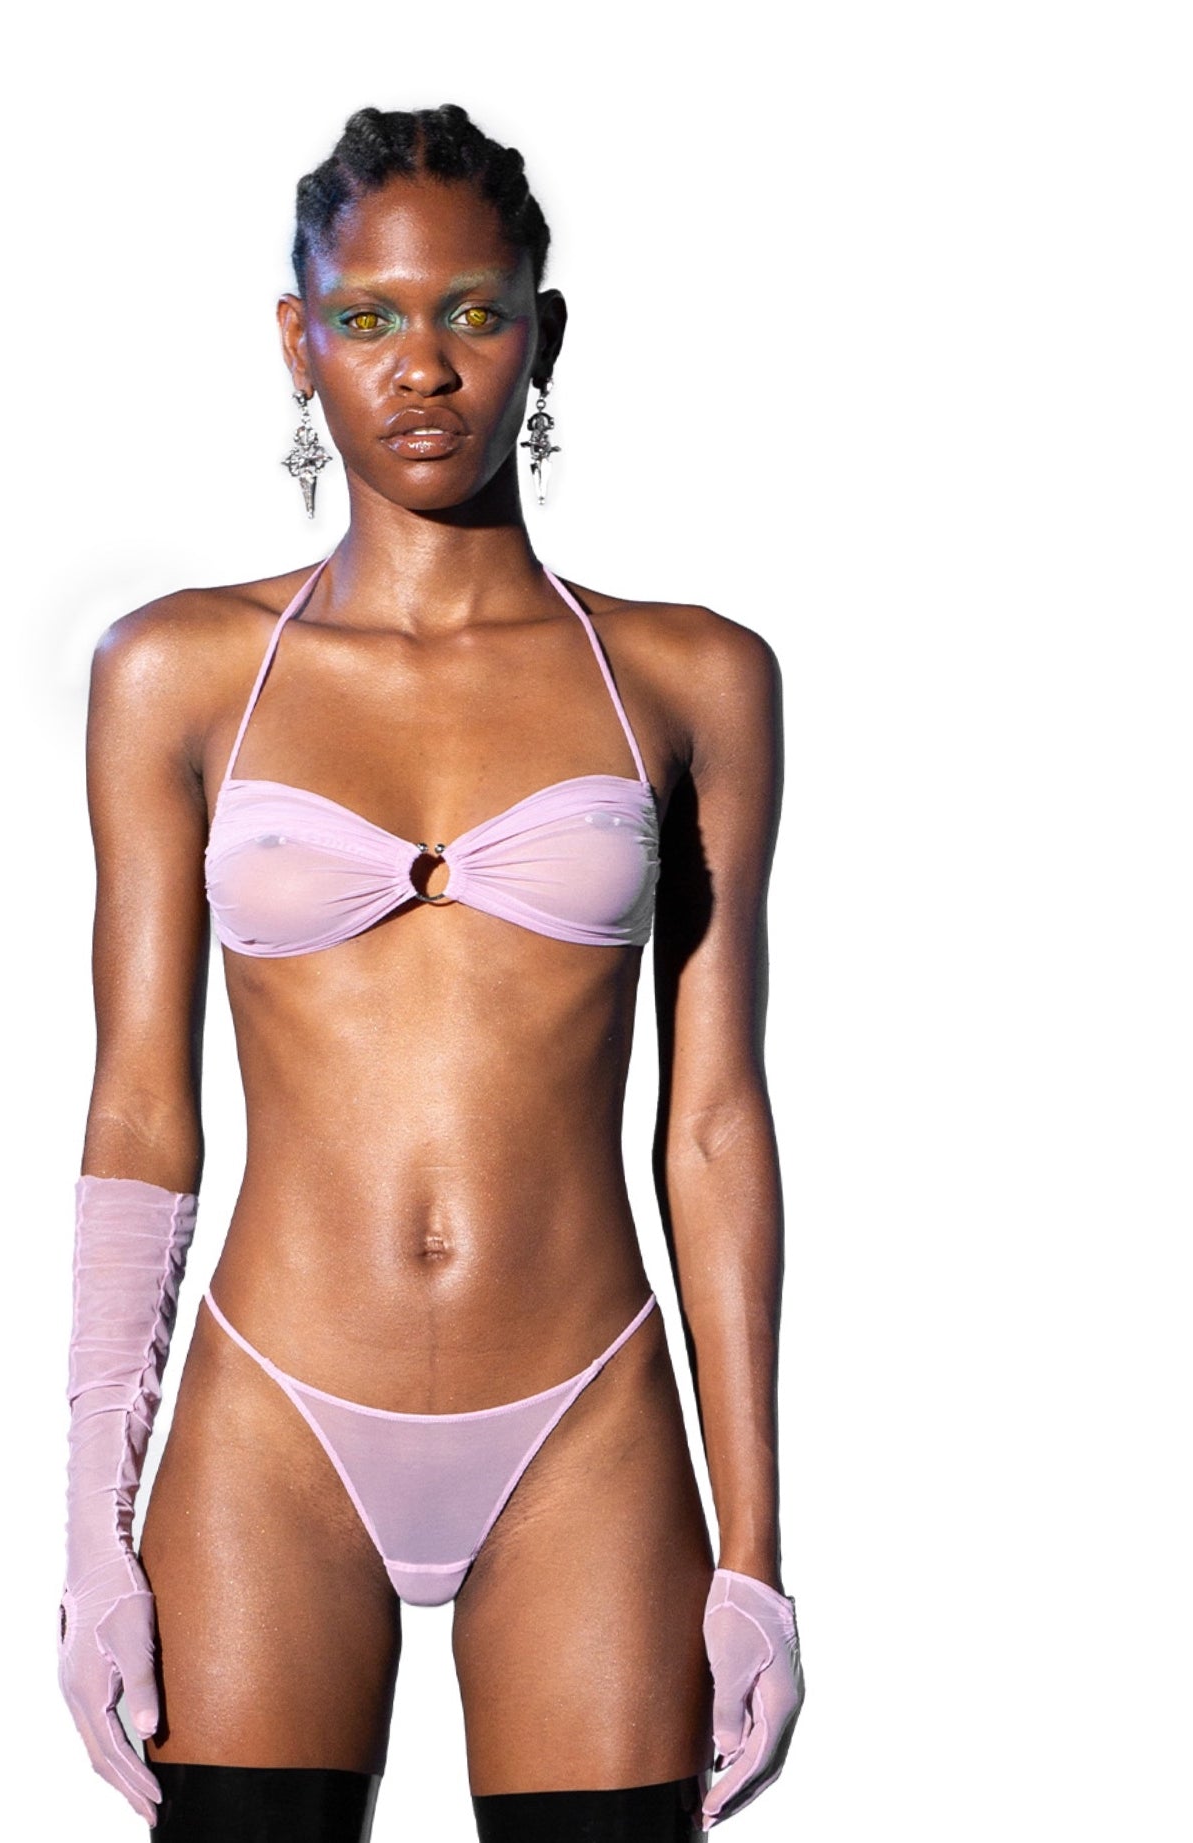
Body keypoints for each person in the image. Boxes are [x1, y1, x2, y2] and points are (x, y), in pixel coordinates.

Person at [59, 104, 804, 1842]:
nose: (423, 368)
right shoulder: (178, 670)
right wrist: (91, 1529)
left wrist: (757, 1552)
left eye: (473, 313)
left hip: (587, 1421)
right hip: (270, 1425)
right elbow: (141, 1112)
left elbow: (714, 1123)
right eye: (370, 317)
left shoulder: (694, 680)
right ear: (297, 340)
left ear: (544, 332)